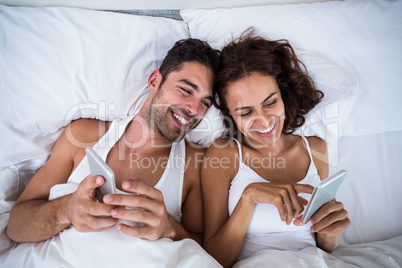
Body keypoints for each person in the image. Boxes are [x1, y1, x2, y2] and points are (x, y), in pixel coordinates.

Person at [7, 38, 220, 246]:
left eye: (205, 103)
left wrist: (170, 230)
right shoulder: (83, 135)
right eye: (186, 90)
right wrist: (66, 210)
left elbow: (207, 252)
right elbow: (16, 225)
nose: (194, 110)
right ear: (155, 81)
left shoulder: (194, 164)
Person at [201, 31, 351, 267]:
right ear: (230, 115)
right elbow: (215, 258)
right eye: (246, 112)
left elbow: (325, 248)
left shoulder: (316, 148)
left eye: (270, 102)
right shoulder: (223, 155)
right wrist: (248, 198)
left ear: (282, 94)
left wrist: (331, 231)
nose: (264, 121)